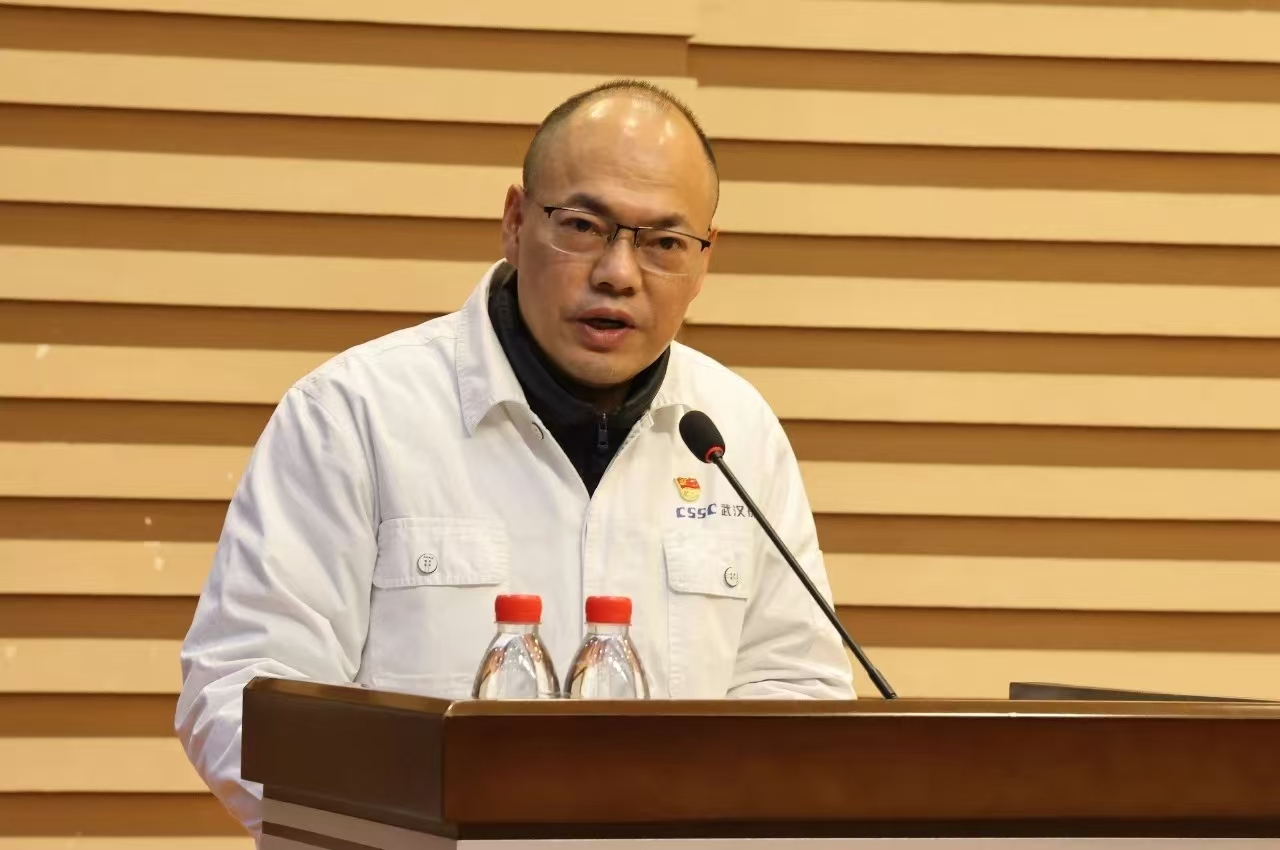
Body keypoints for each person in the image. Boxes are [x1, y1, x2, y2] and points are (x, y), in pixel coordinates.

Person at [176, 79, 854, 836]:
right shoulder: (355, 415)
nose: (619, 272)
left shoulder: (737, 433)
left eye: (663, 242)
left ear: (704, 261)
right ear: (515, 222)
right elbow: (243, 694)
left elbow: (797, 694)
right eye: (585, 226)